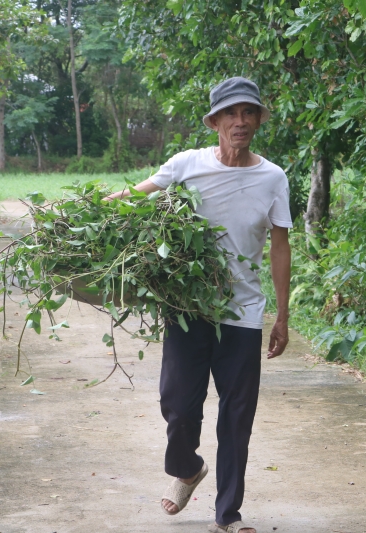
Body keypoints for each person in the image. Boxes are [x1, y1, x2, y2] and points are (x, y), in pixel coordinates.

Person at [104, 77, 292, 533]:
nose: (240, 122)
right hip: (189, 309)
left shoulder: (273, 177)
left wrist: (282, 315)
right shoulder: (187, 164)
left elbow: (281, 246)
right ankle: (187, 469)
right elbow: (135, 196)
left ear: (258, 120)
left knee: (236, 418)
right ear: (214, 122)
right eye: (231, 113)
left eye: (249, 113)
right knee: (178, 405)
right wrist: (92, 208)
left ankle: (228, 515)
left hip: (243, 313)